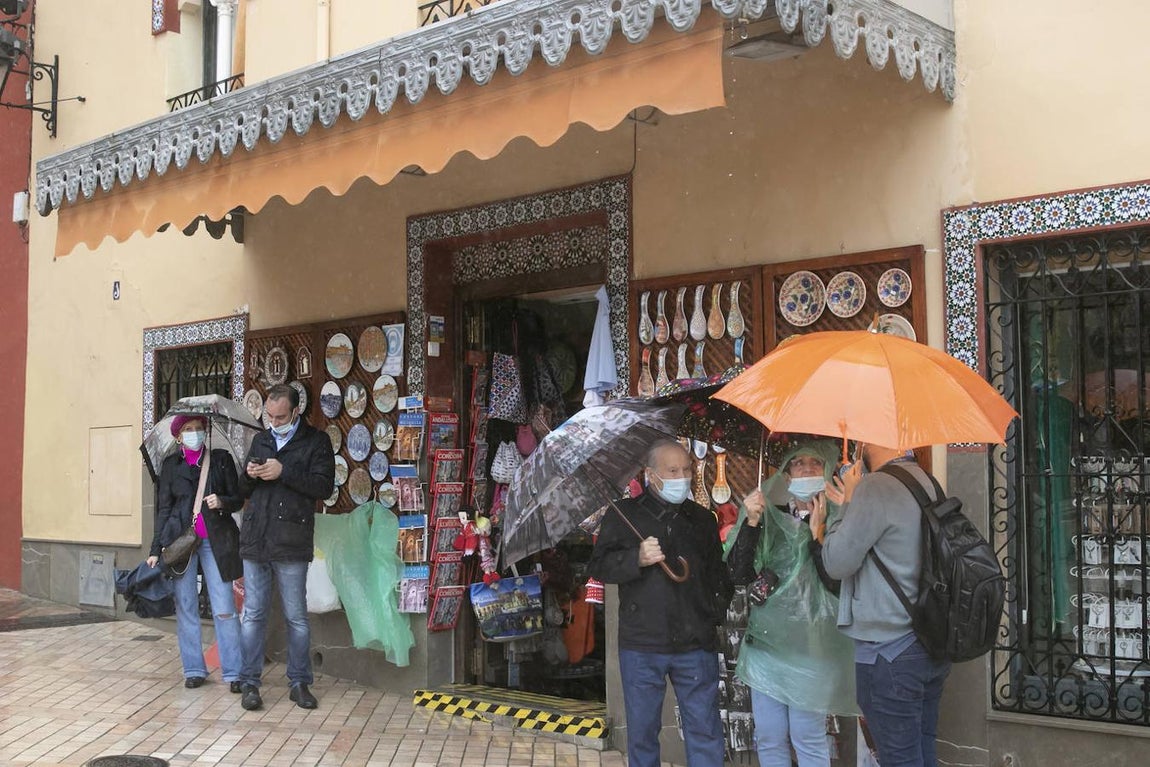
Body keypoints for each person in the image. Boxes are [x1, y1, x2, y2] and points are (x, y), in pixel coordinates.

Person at [588, 439, 733, 767]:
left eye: (686, 470)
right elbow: (599, 566)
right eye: (672, 471)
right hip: (642, 644)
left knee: (705, 730)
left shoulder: (702, 519)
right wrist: (635, 558)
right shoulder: (624, 515)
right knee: (642, 732)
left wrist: (712, 613)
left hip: (695, 643)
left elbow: (717, 575)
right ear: (651, 475)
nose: (682, 477)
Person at [811, 443, 951, 767]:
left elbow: (836, 563)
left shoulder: (874, 487)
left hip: (889, 651)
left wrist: (848, 502)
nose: (857, 445)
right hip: (928, 641)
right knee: (922, 750)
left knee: (899, 759)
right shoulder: (925, 481)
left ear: (870, 441)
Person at [724, 438, 857, 767]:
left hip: (814, 647)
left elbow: (838, 582)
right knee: (770, 736)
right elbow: (739, 573)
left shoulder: (841, 519)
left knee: (807, 735)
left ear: (826, 471)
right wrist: (751, 521)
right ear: (786, 475)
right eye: (799, 463)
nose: (807, 469)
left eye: (815, 463)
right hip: (768, 644)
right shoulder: (769, 518)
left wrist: (817, 536)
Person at [237, 384, 335, 711]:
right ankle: (249, 682)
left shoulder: (316, 441)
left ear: (296, 411)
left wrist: (284, 471)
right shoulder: (261, 440)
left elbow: (323, 486)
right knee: (253, 614)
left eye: (280, 417)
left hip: (292, 539)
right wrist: (250, 474)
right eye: (270, 416)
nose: (274, 422)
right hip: (256, 538)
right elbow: (243, 489)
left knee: (296, 617)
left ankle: (299, 682)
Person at [146, 415, 244, 691]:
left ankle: (234, 672)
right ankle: (193, 669)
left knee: (224, 607)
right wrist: (155, 549)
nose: (194, 434)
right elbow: (164, 509)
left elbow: (237, 500)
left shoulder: (221, 460)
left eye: (199, 429)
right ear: (178, 437)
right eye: (188, 430)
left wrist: (222, 501)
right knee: (186, 606)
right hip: (181, 543)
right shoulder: (170, 466)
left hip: (216, 541)